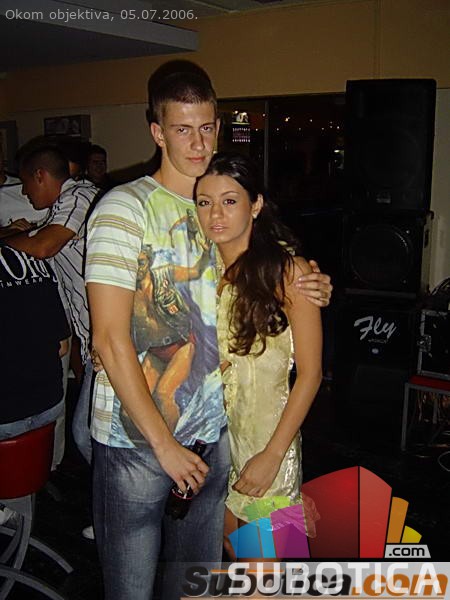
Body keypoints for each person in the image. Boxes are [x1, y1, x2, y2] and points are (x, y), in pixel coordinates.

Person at [85, 65, 332, 600]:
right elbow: (109, 336)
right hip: (138, 442)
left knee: (200, 583)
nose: (197, 143)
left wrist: (308, 279)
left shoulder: (214, 214)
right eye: (182, 129)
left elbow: (261, 278)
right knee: (131, 587)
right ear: (157, 132)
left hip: (216, 436)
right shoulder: (124, 207)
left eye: (206, 128)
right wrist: (163, 444)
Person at [194, 152, 323, 559]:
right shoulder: (198, 268)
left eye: (230, 201)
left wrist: (274, 456)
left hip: (266, 445)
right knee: (232, 551)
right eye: (204, 202)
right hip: (215, 445)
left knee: (266, 570)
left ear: (256, 205)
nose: (215, 214)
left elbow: (311, 374)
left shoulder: (289, 273)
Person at [6, 145, 97, 465]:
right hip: (96, 338)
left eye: (25, 184)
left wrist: (7, 242)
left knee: (87, 435)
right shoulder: (62, 207)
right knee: (94, 434)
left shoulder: (79, 195)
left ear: (40, 176)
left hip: (116, 336)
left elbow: (44, 247)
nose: (25, 193)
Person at [0, 243, 70, 529]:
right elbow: (63, 347)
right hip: (49, 407)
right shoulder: (35, 260)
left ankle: (8, 507)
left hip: (6, 419)